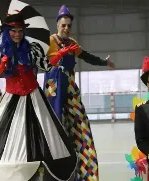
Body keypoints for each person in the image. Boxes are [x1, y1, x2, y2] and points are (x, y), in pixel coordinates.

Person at [0, 11, 78, 181]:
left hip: (34, 97)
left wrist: (60, 54)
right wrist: (2, 65)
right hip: (11, 98)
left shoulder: (32, 48)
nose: (17, 34)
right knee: (6, 141)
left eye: (20, 31)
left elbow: (46, 66)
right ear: (6, 31)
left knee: (47, 139)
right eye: (13, 30)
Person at [43, 5, 115, 180]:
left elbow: (87, 56)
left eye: (69, 25)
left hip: (70, 90)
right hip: (54, 90)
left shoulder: (73, 44)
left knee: (81, 128)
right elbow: (41, 61)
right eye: (63, 25)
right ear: (57, 25)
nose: (66, 28)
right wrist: (57, 56)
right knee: (56, 129)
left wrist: (104, 63)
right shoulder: (49, 41)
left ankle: (85, 173)